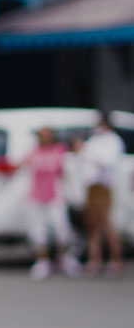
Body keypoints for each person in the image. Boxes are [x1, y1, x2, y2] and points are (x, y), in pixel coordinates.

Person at [23, 127, 81, 281]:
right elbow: (24, 169)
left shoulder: (60, 151)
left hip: (55, 196)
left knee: (61, 229)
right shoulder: (33, 152)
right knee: (39, 231)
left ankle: (65, 259)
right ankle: (42, 261)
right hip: (36, 196)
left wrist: (74, 194)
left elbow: (69, 172)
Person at [77, 113, 125, 277]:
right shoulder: (94, 140)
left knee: (106, 223)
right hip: (91, 185)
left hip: (103, 185)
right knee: (92, 224)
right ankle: (95, 260)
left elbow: (107, 162)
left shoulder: (113, 140)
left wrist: (90, 153)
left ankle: (115, 260)